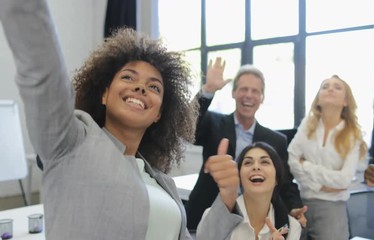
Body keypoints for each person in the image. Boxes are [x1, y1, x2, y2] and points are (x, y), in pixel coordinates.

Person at [0, 0, 199, 239]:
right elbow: (41, 74)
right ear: (104, 93)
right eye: (128, 77)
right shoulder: (71, 145)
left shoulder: (163, 182)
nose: (140, 88)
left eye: (154, 87)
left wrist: (226, 204)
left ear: (159, 114)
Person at [185, 57, 305, 230]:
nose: (249, 95)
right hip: (208, 214)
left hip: (254, 220)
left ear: (261, 98)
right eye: (243, 89)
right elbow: (188, 128)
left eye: (255, 91)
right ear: (233, 93)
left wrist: (294, 207)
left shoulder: (276, 140)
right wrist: (208, 89)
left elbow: (285, 183)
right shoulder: (213, 123)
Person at [287, 75, 368, 240]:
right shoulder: (307, 125)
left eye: (337, 87)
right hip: (300, 203)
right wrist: (319, 186)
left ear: (346, 101)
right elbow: (292, 160)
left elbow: (343, 180)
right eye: (325, 86)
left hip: (332, 208)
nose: (330, 89)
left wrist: (307, 166)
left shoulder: (353, 135)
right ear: (318, 100)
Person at [197, 140, 302, 240]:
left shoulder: (289, 227)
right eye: (248, 163)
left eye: (264, 162)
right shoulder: (214, 216)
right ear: (240, 177)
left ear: (277, 179)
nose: (256, 167)